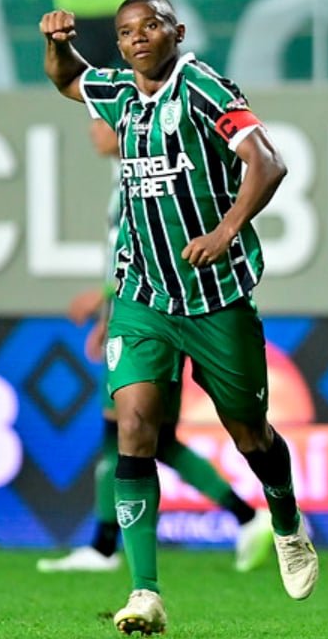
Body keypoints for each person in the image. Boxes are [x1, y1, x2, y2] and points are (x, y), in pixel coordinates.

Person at [40, 0, 318, 635]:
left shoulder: (203, 88)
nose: (138, 38)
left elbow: (268, 162)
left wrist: (226, 230)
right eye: (126, 31)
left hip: (215, 296)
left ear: (177, 31)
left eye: (151, 26)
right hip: (144, 298)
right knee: (135, 425)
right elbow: (68, 80)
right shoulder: (119, 94)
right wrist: (57, 44)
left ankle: (284, 519)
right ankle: (145, 592)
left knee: (251, 434)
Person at [36, 120, 275, 576]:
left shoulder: (144, 177)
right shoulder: (129, 177)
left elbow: (148, 254)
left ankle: (105, 547)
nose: (91, 131)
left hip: (156, 315)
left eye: (97, 121)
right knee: (156, 437)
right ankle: (247, 517)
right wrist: (108, 307)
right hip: (153, 312)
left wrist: (109, 304)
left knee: (121, 431)